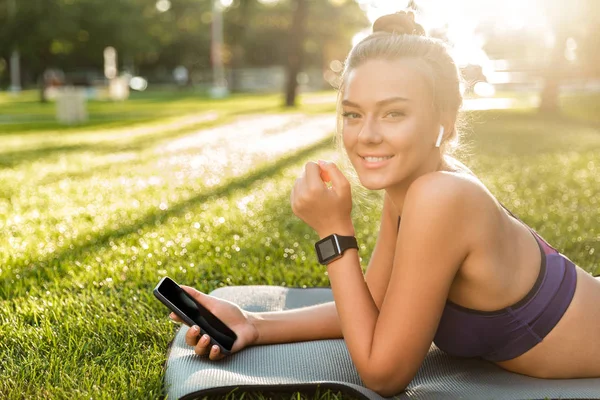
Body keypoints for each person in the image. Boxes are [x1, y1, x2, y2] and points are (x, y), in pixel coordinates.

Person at [168, 10, 600, 397]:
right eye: (354, 114)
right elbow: (372, 307)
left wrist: (334, 232)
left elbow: (383, 375)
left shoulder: (441, 196)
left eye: (393, 114)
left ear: (443, 123)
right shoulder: (415, 189)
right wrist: (253, 323)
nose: (366, 135)